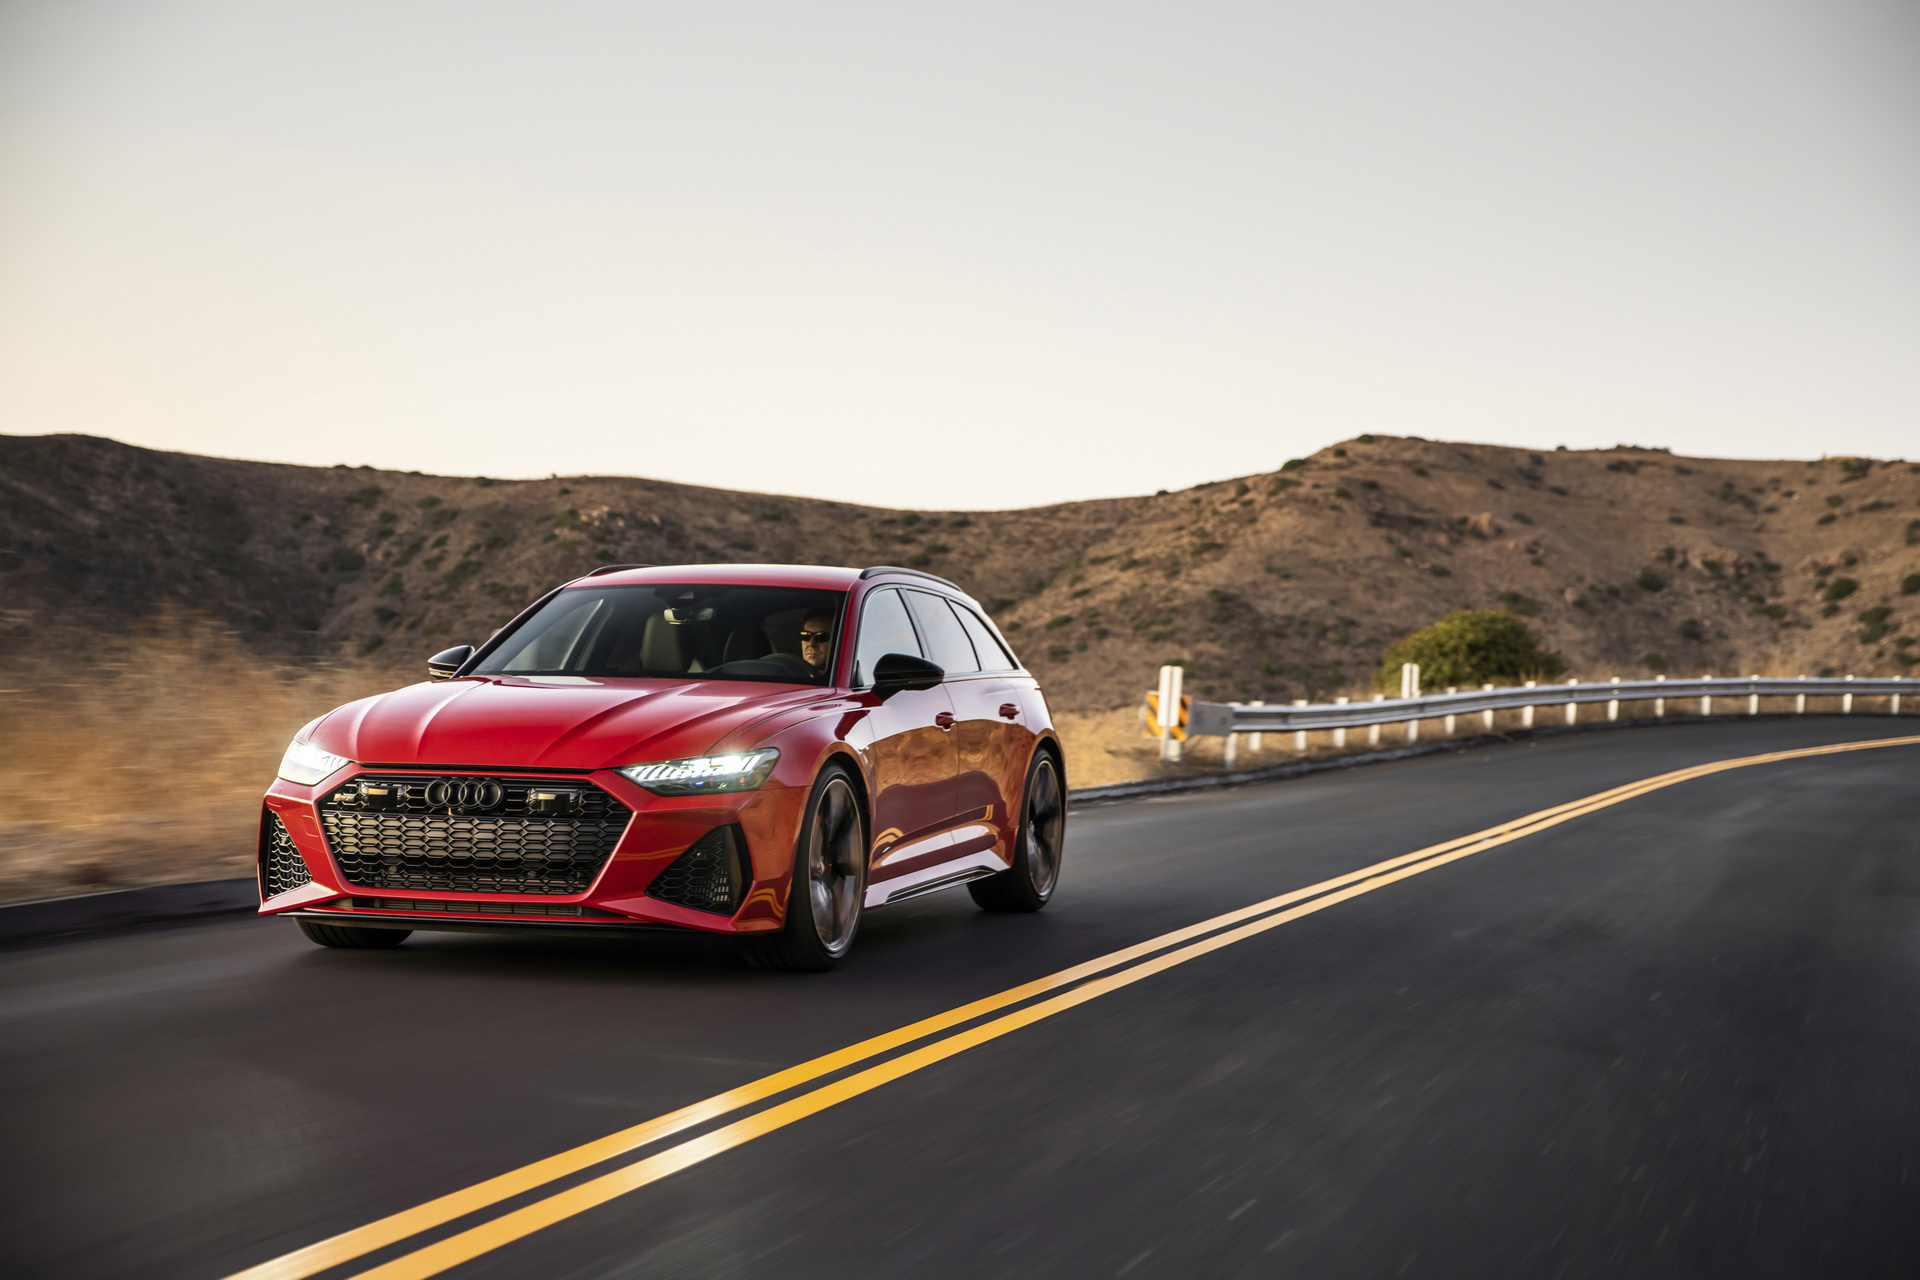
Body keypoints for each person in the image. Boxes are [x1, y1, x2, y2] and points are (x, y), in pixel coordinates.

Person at [799, 611, 835, 680]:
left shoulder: (846, 679)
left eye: (821, 636)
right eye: (806, 635)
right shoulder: (791, 676)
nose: (811, 644)